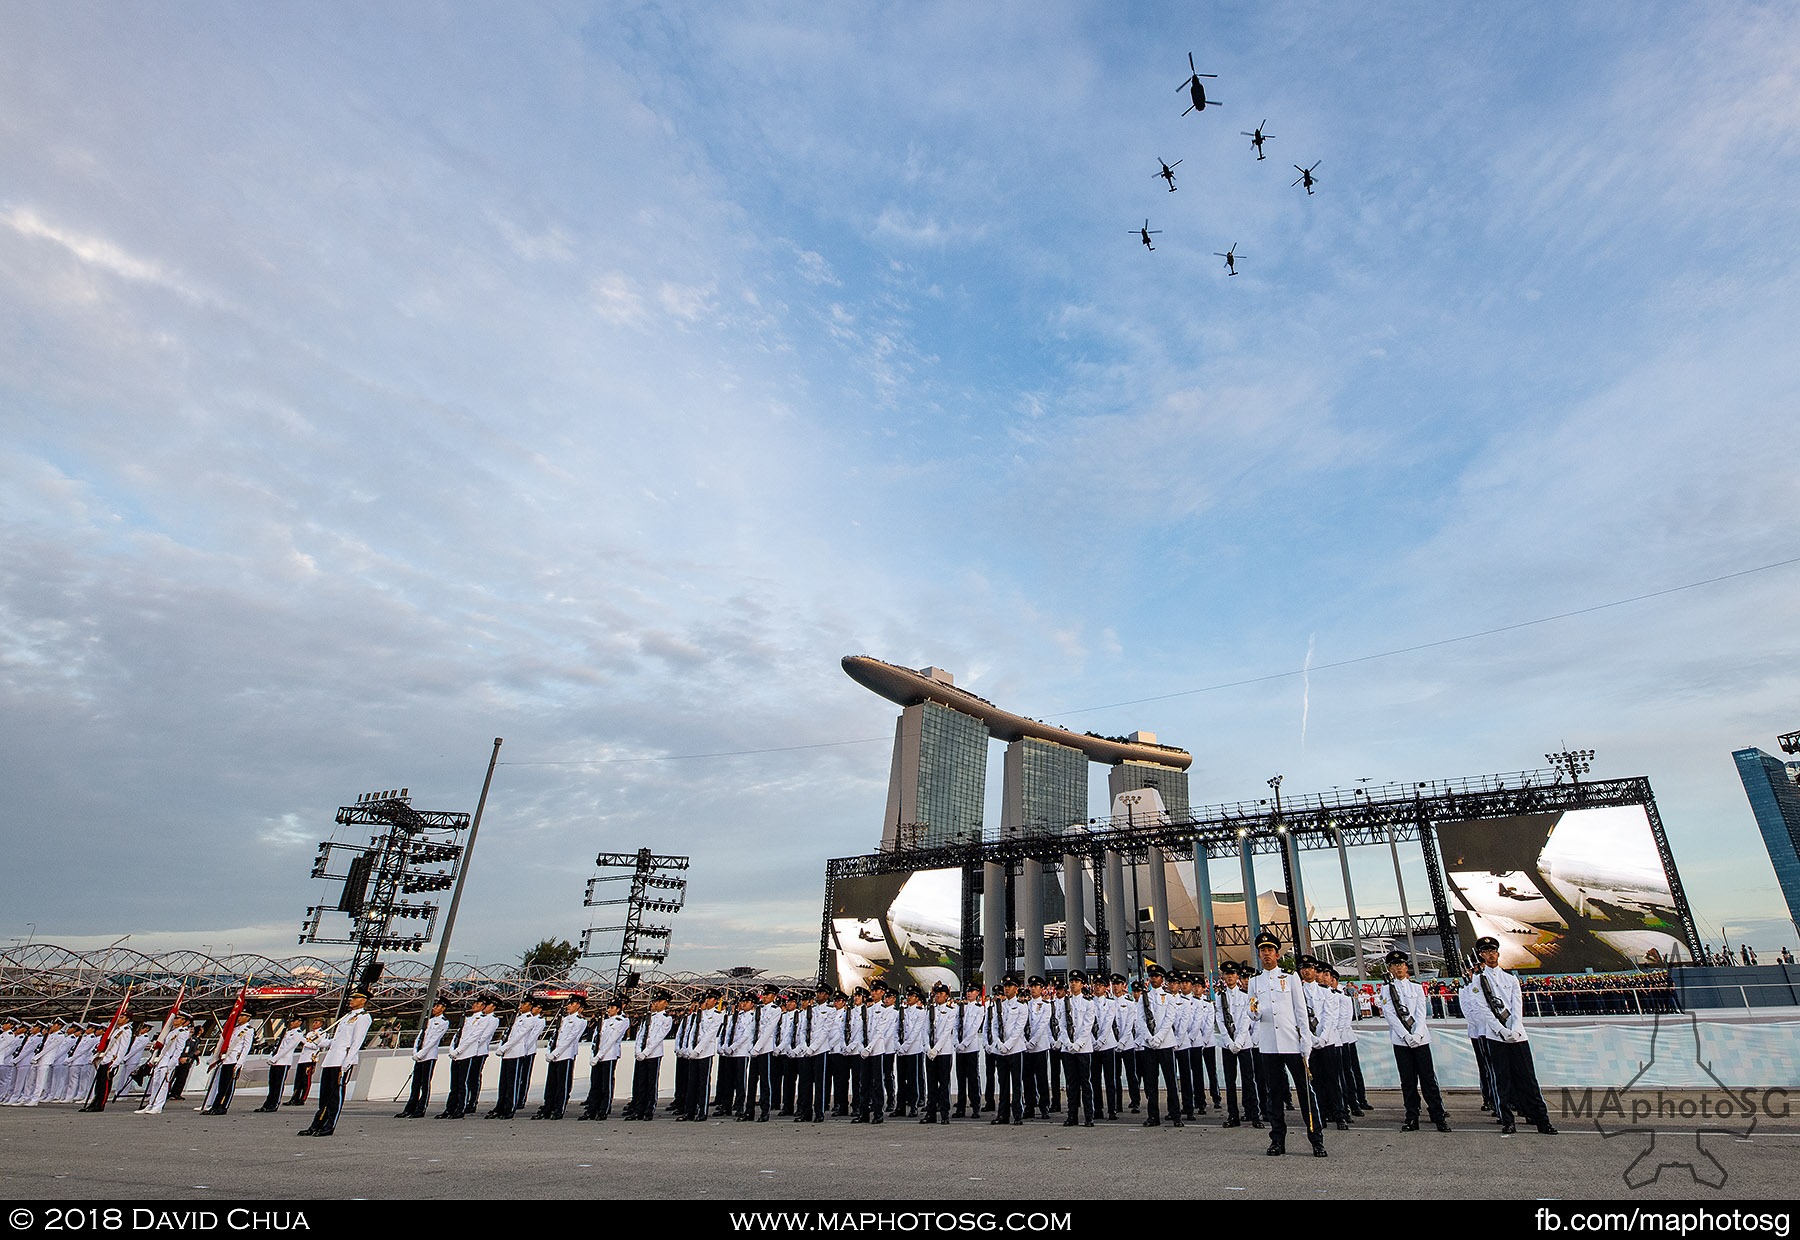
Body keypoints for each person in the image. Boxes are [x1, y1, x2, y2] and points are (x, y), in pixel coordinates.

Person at [1247, 931, 1325, 1157]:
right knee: (1274, 1093)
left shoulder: (1290, 977)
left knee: (1305, 1092)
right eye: (1263, 951)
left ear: (1277, 954)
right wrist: (1254, 1012)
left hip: (1292, 1042)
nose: (1266, 954)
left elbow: (1301, 1011)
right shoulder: (1254, 981)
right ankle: (1277, 1140)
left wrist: (1306, 1042)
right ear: (1259, 954)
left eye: (1270, 950)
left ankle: (1316, 1139)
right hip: (1269, 1045)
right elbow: (1252, 1014)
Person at [1471, 936, 1557, 1136]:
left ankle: (1542, 1121)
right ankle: (1508, 1121)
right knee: (1503, 1080)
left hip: (1518, 1035)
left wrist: (1515, 1028)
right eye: (1486, 952)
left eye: (1493, 951)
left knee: (1528, 1080)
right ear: (1481, 956)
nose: (1490, 955)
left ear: (1498, 954)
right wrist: (1501, 1030)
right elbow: (1483, 1009)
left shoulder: (1510, 979)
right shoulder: (1478, 981)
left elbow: (1517, 1007)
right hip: (1496, 1036)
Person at [1369, 949, 1450, 1133]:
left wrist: (1417, 1034)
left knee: (1429, 1080)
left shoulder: (1416, 987)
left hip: (1420, 1039)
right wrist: (1406, 1036)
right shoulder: (1386, 990)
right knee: (1408, 1081)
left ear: (1407, 967)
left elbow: (1422, 1013)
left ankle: (1438, 1116)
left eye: (1401, 964)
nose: (1398, 968)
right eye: (1394, 965)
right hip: (1401, 1041)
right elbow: (1390, 1015)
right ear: (1389, 968)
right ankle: (1412, 1117)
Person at [298, 990, 373, 1137]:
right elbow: (337, 1040)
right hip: (331, 1059)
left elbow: (357, 1041)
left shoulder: (364, 1017)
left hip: (342, 1059)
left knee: (335, 1096)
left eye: (356, 998)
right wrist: (320, 1041)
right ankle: (317, 1124)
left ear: (363, 1000)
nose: (352, 1000)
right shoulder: (347, 1017)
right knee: (324, 1095)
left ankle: (329, 1125)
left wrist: (348, 1061)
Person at [1134, 964, 1183, 1128]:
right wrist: (1149, 1038)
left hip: (1165, 1043)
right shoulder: (1144, 997)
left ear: (1162, 979)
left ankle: (1176, 1115)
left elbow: (1169, 1019)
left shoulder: (1169, 997)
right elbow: (1140, 1020)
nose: (1153, 978)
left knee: (1170, 1081)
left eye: (1156, 976)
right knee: (1150, 1082)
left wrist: (1159, 1038)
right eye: (1151, 976)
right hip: (1149, 1045)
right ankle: (1153, 1116)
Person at [1215, 962, 1262, 1129]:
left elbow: (1247, 1019)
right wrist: (1228, 1041)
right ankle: (1232, 1115)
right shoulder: (1220, 996)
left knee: (1249, 1080)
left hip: (1244, 1043)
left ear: (1237, 976)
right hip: (1228, 1044)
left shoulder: (1247, 996)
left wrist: (1239, 1041)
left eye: (1233, 974)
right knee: (1230, 1081)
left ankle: (1255, 1115)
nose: (1229, 977)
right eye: (1227, 974)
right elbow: (1219, 1019)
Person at [1052, 970, 1097, 1128]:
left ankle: (1089, 1116)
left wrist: (1078, 1044)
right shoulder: (1065, 1002)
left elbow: (1087, 1026)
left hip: (1083, 1048)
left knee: (1085, 1083)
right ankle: (1072, 1116)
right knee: (1071, 1084)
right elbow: (1061, 1025)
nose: (1073, 984)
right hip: (1068, 1049)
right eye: (1071, 981)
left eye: (1077, 981)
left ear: (1082, 984)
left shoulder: (1088, 1003)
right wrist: (1068, 1043)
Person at [534, 996, 588, 1120]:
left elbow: (570, 1039)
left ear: (578, 1006)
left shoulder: (580, 1021)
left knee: (562, 1085)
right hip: (555, 1055)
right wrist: (550, 1051)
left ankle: (559, 1109)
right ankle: (548, 1108)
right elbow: (556, 1036)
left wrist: (556, 1053)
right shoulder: (564, 1019)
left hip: (566, 1055)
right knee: (551, 1084)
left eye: (571, 1004)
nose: (568, 1006)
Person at [396, 997, 451, 1118]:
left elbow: (434, 1040)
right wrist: (415, 1051)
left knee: (424, 1084)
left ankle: (421, 1108)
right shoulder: (429, 1021)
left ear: (443, 1008)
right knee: (415, 1083)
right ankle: (410, 1108)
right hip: (420, 1055)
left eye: (437, 1006)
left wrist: (422, 1053)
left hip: (429, 1056)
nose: (434, 1008)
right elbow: (421, 1036)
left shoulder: (443, 1022)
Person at [622, 990, 673, 1121]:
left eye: (658, 1001)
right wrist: (638, 1050)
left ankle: (649, 1109)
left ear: (665, 1003)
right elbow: (640, 1035)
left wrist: (646, 1052)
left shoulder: (666, 1018)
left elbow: (658, 1037)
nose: (655, 1004)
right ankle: (638, 1109)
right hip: (641, 1054)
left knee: (651, 1083)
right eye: (654, 1001)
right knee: (640, 1083)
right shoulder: (648, 1017)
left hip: (653, 1054)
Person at [578, 995, 629, 1120]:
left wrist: (600, 1054)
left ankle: (603, 1110)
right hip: (598, 1056)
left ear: (618, 1009)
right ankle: (592, 1110)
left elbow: (611, 1040)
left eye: (612, 1007)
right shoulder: (604, 1021)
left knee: (606, 1084)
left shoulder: (621, 1021)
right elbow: (597, 1038)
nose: (609, 1009)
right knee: (595, 1084)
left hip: (609, 1055)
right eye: (609, 1007)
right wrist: (594, 1054)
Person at [984, 976, 1026, 1126]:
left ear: (1016, 988)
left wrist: (1007, 1045)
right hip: (1000, 1050)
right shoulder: (999, 1006)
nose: (1007, 989)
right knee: (1003, 1084)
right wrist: (998, 1043)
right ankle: (1003, 1114)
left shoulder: (1022, 1007)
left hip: (1015, 1049)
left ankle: (1017, 1114)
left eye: (1010, 986)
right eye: (1005, 986)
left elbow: (1018, 1029)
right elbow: (994, 1026)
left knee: (1016, 1084)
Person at [136, 1015, 193, 1115]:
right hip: (161, 1060)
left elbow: (179, 1049)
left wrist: (171, 1064)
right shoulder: (172, 1031)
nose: (174, 1020)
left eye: (177, 1019)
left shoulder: (183, 1032)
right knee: (155, 1083)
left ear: (183, 1021)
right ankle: (151, 1104)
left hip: (168, 1061)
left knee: (163, 1085)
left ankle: (158, 1106)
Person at [203, 1013, 257, 1114]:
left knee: (228, 1086)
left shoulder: (248, 1030)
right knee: (221, 1085)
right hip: (226, 1060)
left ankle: (223, 1106)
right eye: (239, 1016)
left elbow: (246, 1048)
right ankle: (215, 1106)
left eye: (242, 1016)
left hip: (234, 1060)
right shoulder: (234, 1028)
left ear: (248, 1017)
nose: (239, 1018)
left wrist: (240, 1063)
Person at [257, 1018, 310, 1114]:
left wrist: (275, 1058)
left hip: (283, 1062)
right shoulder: (286, 1032)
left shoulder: (297, 1034)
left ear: (299, 1022)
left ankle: (274, 1104)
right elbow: (279, 1045)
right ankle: (267, 1103)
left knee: (278, 1084)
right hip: (276, 1061)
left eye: (293, 1021)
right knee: (272, 1084)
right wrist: (272, 1056)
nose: (291, 1023)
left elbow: (287, 1048)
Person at [286, 1017, 326, 1107]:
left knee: (306, 1080)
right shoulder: (309, 1033)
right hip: (303, 1058)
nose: (314, 1024)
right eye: (314, 1022)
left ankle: (302, 1098)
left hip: (310, 1059)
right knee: (298, 1080)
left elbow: (317, 1046)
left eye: (316, 1022)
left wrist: (304, 1042)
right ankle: (294, 1097)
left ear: (321, 1024)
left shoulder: (322, 1033)